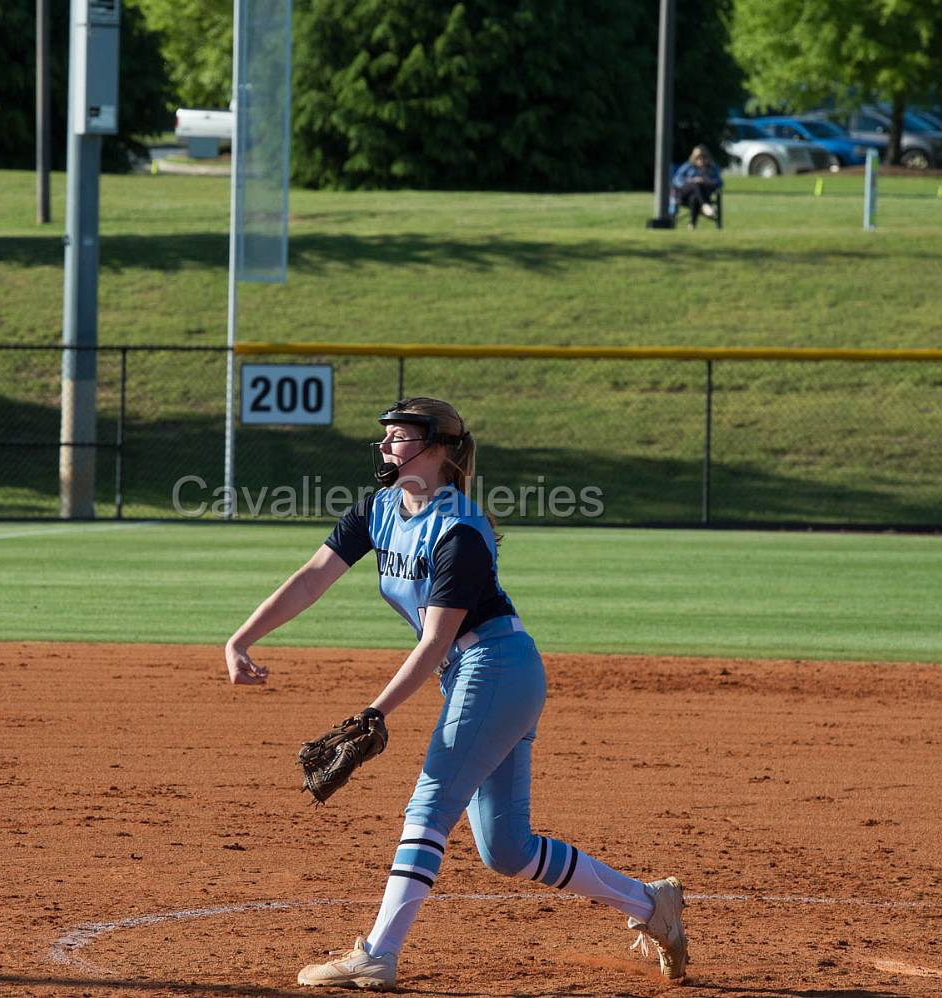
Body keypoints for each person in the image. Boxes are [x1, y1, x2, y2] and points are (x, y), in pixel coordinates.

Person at [224, 397, 689, 990]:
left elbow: (436, 638)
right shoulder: (380, 509)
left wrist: (373, 713)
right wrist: (242, 638)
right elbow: (313, 577)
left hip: (495, 666)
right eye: (386, 435)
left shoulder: (460, 531)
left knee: (430, 803)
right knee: (507, 849)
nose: (388, 444)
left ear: (439, 448)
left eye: (401, 435)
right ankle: (653, 906)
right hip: (480, 674)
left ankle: (378, 953)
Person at [672, 145, 722, 230]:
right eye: (699, 158)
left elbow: (719, 182)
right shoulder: (688, 166)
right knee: (695, 184)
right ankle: (704, 205)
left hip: (701, 195)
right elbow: (676, 179)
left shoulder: (711, 168)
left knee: (694, 198)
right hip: (685, 194)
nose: (701, 160)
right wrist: (690, 180)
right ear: (694, 158)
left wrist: (705, 181)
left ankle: (692, 225)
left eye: (703, 157)